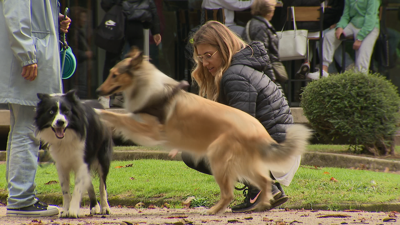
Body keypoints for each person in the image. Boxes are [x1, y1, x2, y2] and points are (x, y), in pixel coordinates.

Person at [182, 21, 300, 213]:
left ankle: (261, 189)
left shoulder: (234, 76)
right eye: (201, 57)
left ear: (224, 48)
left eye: (209, 56)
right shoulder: (242, 68)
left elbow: (241, 128)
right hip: (281, 147)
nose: (204, 63)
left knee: (193, 155)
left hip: (276, 152)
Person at [0, 0, 71, 217]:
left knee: (23, 127)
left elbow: (30, 16)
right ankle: (21, 199)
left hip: (33, 56)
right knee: (28, 129)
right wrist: (26, 55)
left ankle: (19, 196)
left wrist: (54, 19)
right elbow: (15, 14)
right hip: (31, 60)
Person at [98, 0, 162, 108]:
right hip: (137, 24)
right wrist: (155, 30)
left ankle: (106, 98)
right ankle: (130, 97)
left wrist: (117, 8)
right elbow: (152, 7)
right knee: (137, 64)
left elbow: (105, 3)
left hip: (120, 22)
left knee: (111, 60)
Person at [307, 0, 380, 78]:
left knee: (362, 59)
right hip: (353, 24)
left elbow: (370, 18)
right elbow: (346, 15)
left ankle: (359, 81)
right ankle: (324, 70)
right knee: (329, 36)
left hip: (369, 27)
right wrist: (340, 26)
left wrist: (360, 38)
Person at [243, 0, 288, 95]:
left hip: (258, 71)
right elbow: (263, 52)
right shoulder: (261, 26)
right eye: (273, 10)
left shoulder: (254, 23)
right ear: (268, 11)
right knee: (278, 99)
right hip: (264, 72)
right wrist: (272, 76)